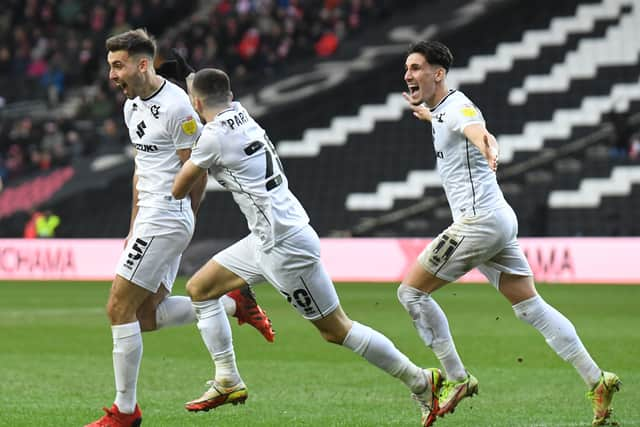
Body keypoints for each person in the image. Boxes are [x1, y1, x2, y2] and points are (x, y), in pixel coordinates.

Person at [171, 68, 437, 423]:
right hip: (268, 236)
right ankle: (227, 378)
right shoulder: (242, 114)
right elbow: (208, 92)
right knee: (200, 289)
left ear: (197, 102)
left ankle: (420, 381)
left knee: (336, 329)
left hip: (285, 246)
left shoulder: (212, 138)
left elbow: (180, 186)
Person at [398, 40, 621, 427]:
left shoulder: (458, 107)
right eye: (407, 68)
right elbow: (448, 120)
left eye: (416, 67)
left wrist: (489, 148)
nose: (408, 74)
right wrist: (425, 115)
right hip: (499, 220)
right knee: (530, 306)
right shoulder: (440, 111)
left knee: (410, 293)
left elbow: (476, 129)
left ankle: (456, 378)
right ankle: (596, 379)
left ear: (438, 73)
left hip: (478, 222)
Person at [85, 29, 274, 427]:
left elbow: (197, 170)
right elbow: (143, 167)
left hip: (167, 217)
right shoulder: (131, 107)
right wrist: (134, 224)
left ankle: (124, 411)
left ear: (142, 64)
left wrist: (181, 217)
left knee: (117, 308)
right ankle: (230, 301)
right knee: (144, 317)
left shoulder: (177, 108)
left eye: (117, 66)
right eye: (110, 67)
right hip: (150, 219)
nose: (112, 76)